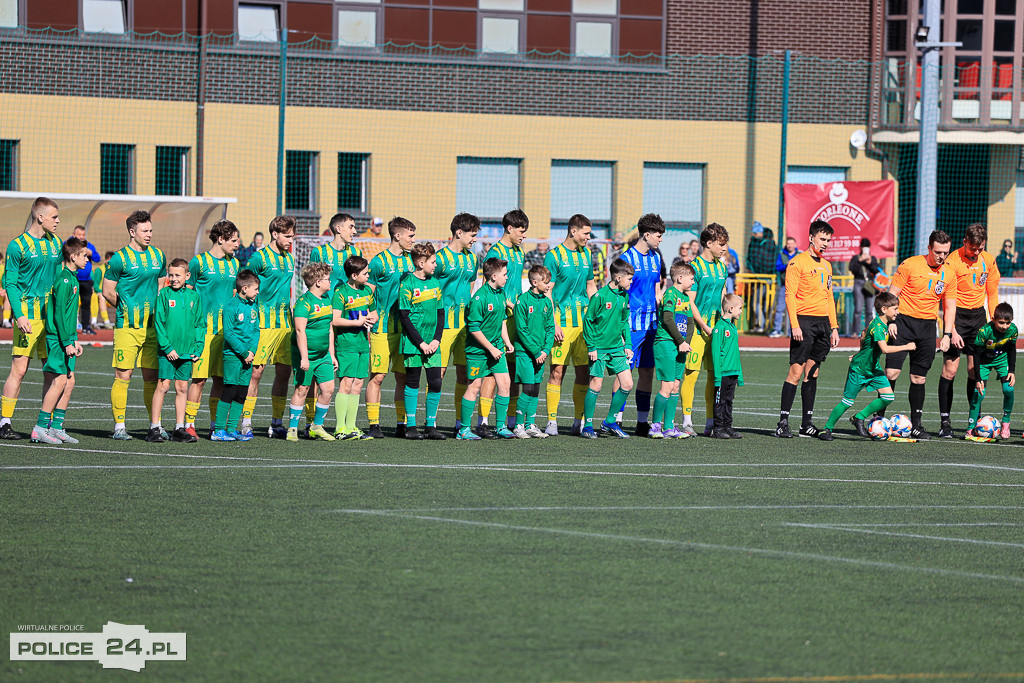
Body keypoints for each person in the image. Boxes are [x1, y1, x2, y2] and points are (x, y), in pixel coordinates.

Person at [884, 230, 959, 440]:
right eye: (937, 252)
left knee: (918, 378)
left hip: (927, 328)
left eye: (945, 252)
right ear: (929, 248)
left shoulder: (949, 273)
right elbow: (891, 296)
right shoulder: (909, 265)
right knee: (891, 373)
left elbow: (950, 306)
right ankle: (879, 418)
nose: (941, 256)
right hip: (903, 323)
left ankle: (916, 425)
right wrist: (890, 322)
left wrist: (946, 334)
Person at [0, 197, 62, 440]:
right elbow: (11, 284)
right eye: (54, 217)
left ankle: (43, 425)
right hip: (28, 317)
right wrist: (19, 314)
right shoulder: (17, 246)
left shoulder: (56, 243)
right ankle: (4, 422)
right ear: (40, 217)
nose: (57, 221)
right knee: (20, 369)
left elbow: (60, 280)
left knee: (52, 371)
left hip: (51, 320)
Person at [103, 210, 167, 440]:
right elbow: (108, 290)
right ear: (132, 232)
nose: (149, 234)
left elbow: (161, 286)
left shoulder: (159, 255)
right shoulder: (119, 258)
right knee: (124, 376)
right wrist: (124, 308)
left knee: (152, 378)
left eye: (151, 230)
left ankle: (155, 425)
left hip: (152, 328)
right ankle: (119, 426)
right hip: (127, 328)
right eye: (145, 231)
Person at [774, 220, 839, 439]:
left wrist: (834, 327)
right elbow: (789, 295)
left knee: (813, 373)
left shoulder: (827, 266)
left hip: (822, 324)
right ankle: (783, 422)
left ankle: (806, 423)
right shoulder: (797, 263)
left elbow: (829, 297)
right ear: (811, 238)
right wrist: (794, 324)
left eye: (828, 240)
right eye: (822, 239)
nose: (826, 244)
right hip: (804, 322)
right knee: (796, 371)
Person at [819, 292, 914, 441]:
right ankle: (827, 429)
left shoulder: (882, 325)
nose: (898, 312)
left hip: (873, 369)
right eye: (895, 309)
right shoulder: (878, 327)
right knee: (847, 402)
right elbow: (885, 349)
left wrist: (859, 352)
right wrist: (907, 346)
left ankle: (859, 417)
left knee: (888, 396)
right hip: (859, 370)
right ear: (884, 309)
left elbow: (864, 336)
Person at [937, 224, 999, 438]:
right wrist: (951, 330)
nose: (976, 252)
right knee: (950, 370)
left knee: (976, 371)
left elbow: (992, 294)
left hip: (979, 318)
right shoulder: (952, 261)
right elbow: (946, 300)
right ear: (964, 242)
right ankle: (945, 422)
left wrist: (995, 323)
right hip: (957, 316)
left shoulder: (989, 260)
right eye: (973, 248)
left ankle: (975, 420)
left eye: (980, 248)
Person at [186, 220, 240, 438]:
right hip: (203, 331)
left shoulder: (234, 264)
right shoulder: (198, 263)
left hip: (225, 332)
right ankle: (189, 424)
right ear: (221, 239)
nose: (237, 244)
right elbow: (187, 295)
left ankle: (214, 425)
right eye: (234, 240)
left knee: (220, 379)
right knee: (199, 379)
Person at [545, 214, 598, 436]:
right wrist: (554, 323)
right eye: (586, 233)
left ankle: (579, 421)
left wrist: (597, 315)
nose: (588, 237)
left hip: (583, 325)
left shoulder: (587, 254)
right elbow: (547, 293)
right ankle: (551, 421)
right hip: (562, 323)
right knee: (557, 371)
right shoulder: (554, 256)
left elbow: (591, 286)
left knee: (584, 373)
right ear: (573, 231)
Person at [32, 237, 88, 445]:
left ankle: (56, 428)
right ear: (73, 256)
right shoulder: (64, 280)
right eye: (84, 256)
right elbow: (59, 314)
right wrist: (66, 341)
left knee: (69, 381)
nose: (87, 260)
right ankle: (39, 428)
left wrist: (75, 339)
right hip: (57, 339)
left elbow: (68, 316)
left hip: (66, 337)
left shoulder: (73, 278)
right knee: (60, 380)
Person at [365, 217, 417, 439]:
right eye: (410, 235)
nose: (413, 240)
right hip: (381, 329)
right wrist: (366, 317)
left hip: (404, 330)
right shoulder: (377, 262)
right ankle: (374, 423)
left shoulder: (411, 262)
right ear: (397, 236)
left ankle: (401, 423)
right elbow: (367, 291)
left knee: (402, 377)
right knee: (378, 376)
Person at [479, 209, 529, 436]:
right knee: (493, 369)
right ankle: (483, 420)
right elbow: (487, 285)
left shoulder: (520, 252)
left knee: (515, 369)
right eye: (521, 230)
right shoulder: (496, 252)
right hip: (500, 316)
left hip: (517, 316)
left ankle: (510, 420)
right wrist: (505, 304)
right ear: (509, 228)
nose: (524, 235)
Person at [245, 216, 296, 438]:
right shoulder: (258, 258)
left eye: (292, 236)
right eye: (287, 236)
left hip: (285, 324)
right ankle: (246, 421)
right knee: (256, 372)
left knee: (284, 372)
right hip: (263, 323)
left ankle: (276, 423)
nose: (290, 240)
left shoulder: (291, 259)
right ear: (275, 234)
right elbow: (244, 285)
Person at [617, 213, 666, 436]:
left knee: (647, 372)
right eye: (658, 235)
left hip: (652, 324)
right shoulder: (627, 258)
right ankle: (615, 420)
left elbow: (655, 290)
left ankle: (641, 422)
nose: (661, 239)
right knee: (624, 372)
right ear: (646, 235)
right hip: (632, 324)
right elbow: (619, 291)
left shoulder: (656, 258)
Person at [459, 257, 515, 440]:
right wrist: (491, 348)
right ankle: (464, 429)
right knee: (474, 386)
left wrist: (506, 342)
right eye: (504, 274)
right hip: (478, 351)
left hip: (497, 348)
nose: (507, 278)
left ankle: (500, 427)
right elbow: (474, 328)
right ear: (493, 276)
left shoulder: (501, 293)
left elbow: (502, 321)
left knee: (505, 384)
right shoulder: (479, 298)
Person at [680, 223, 728, 436]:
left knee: (713, 376)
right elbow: (691, 303)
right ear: (708, 243)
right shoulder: (694, 268)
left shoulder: (722, 267)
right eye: (721, 244)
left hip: (715, 329)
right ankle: (687, 421)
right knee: (691, 374)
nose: (724, 248)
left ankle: (711, 422)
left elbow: (723, 295)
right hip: (698, 330)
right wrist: (704, 326)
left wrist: (726, 320)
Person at [151, 258, 205, 443]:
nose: (173, 278)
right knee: (163, 386)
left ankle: (179, 428)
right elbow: (159, 323)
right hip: (168, 352)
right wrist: (167, 348)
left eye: (177, 275)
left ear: (187, 276)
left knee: (182, 387)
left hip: (186, 351)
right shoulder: (164, 295)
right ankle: (154, 427)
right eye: (171, 275)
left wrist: (198, 347)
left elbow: (199, 324)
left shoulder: (194, 297)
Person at [435, 213, 479, 435]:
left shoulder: (473, 258)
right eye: (472, 235)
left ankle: (461, 423)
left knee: (465, 374)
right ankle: (430, 423)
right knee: (438, 374)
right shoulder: (439, 258)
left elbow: (471, 285)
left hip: (466, 326)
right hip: (443, 326)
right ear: (458, 233)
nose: (475, 240)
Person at [580, 258, 634, 438]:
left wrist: (628, 344)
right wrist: (592, 346)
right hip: (599, 349)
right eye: (629, 279)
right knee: (596, 384)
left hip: (617, 348)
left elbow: (624, 321)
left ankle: (609, 421)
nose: (631, 282)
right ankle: (587, 426)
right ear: (618, 278)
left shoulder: (625, 296)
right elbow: (588, 322)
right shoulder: (600, 296)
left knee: (627, 384)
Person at [397, 243, 446, 440]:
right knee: (413, 382)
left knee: (435, 382)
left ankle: (430, 425)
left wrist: (436, 339)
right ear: (420, 262)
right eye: (432, 262)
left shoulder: (435, 283)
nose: (435, 265)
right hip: (413, 342)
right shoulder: (407, 284)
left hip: (432, 342)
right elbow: (405, 316)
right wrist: (420, 343)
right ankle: (410, 426)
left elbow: (441, 313)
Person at [286, 262, 336, 442]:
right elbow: (300, 331)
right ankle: (292, 429)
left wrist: (331, 353)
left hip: (323, 355)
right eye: (327, 279)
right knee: (302, 389)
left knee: (328, 389)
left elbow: (329, 327)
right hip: (306, 355)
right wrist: (305, 358)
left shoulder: (327, 300)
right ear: (317, 282)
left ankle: (316, 426)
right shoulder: (303, 303)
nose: (330, 282)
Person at [649, 261, 698, 439]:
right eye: (691, 279)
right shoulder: (670, 294)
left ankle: (669, 426)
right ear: (679, 278)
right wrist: (679, 341)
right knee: (667, 385)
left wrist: (686, 342)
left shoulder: (686, 298)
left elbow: (690, 322)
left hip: (680, 346)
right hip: (666, 344)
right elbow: (668, 318)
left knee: (676, 386)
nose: (693, 283)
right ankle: (655, 426)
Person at [332, 255, 376, 440]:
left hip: (362, 344)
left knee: (358, 384)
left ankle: (351, 427)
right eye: (365, 273)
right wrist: (357, 322)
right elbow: (334, 319)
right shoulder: (340, 292)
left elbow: (373, 313)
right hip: (346, 345)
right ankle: (340, 428)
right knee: (346, 383)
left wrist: (372, 320)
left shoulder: (367, 291)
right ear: (354, 275)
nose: (368, 276)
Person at [215, 270, 261, 441]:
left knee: (241, 393)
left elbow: (256, 330)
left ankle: (232, 429)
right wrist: (243, 352)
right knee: (230, 391)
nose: (257, 292)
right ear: (244, 288)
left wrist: (252, 351)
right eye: (255, 289)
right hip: (234, 356)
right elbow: (229, 334)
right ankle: (218, 430)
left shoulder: (253, 305)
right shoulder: (231, 306)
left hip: (248, 357)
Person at [512, 265, 555, 438]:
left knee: (536, 389)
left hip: (541, 354)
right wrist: (536, 351)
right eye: (546, 283)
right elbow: (522, 331)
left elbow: (550, 328)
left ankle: (530, 424)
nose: (549, 285)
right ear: (535, 282)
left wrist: (545, 349)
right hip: (525, 353)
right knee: (528, 388)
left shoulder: (546, 302)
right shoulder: (522, 301)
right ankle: (519, 425)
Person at [966, 302, 1017, 440]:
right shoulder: (984, 331)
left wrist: (1011, 370)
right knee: (979, 393)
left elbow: (1012, 349)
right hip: (983, 362)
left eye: (1007, 323)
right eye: (1001, 322)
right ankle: (971, 428)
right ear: (993, 319)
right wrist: (977, 378)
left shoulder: (1013, 330)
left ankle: (1006, 421)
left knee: (1009, 389)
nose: (1004, 326)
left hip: (1002, 360)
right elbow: (975, 354)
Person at [711, 293, 745, 439]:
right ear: (731, 309)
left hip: (733, 371)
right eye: (740, 308)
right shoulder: (719, 327)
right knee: (720, 401)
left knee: (729, 401)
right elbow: (716, 352)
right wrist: (717, 375)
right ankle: (718, 428)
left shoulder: (732, 328)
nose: (741, 311)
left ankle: (727, 426)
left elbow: (736, 353)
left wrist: (740, 374)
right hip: (723, 373)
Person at [309, 213, 361, 291]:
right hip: (326, 302)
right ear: (338, 229)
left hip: (349, 302)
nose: (355, 231)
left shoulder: (356, 252)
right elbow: (311, 283)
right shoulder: (319, 252)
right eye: (351, 227)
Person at [745, 222, 776, 333]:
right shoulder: (755, 244)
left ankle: (765, 326)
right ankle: (762, 325)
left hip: (766, 279)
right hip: (758, 279)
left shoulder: (768, 244)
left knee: (762, 303)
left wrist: (758, 271)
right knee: (758, 303)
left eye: (756, 232)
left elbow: (766, 260)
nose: (755, 235)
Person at [70, 225, 101, 335]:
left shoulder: (89, 246)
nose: (81, 237)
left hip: (86, 281)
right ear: (74, 235)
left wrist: (91, 253)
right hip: (73, 278)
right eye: (79, 235)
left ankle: (86, 326)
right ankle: (69, 326)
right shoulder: (68, 244)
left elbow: (98, 258)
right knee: (70, 303)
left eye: (83, 235)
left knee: (86, 304)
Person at [849, 237, 881, 338]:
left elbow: (877, 270)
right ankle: (855, 332)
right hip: (859, 282)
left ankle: (869, 332)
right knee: (858, 309)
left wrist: (870, 262)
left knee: (869, 310)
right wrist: (860, 260)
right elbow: (852, 268)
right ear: (861, 247)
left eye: (867, 247)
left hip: (870, 284)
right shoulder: (856, 258)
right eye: (864, 246)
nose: (865, 248)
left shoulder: (873, 258)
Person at [769, 237, 799, 338]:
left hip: (797, 286)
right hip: (784, 285)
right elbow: (778, 267)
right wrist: (787, 265)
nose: (789, 245)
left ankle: (793, 331)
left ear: (795, 244)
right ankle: (777, 330)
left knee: (795, 309)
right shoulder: (781, 255)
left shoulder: (799, 255)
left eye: (791, 243)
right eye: (788, 243)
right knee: (780, 308)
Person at [90, 251, 114, 329]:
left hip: (111, 294)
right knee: (99, 297)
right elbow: (95, 284)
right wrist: (101, 291)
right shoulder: (99, 270)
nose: (110, 262)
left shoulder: (115, 271)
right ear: (105, 260)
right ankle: (105, 321)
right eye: (108, 260)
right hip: (101, 293)